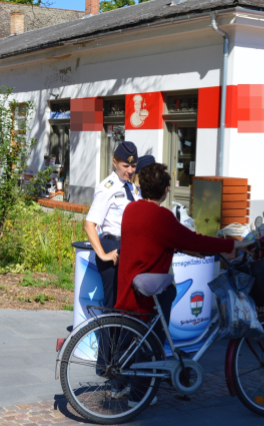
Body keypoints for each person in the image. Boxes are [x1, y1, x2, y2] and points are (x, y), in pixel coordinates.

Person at [115, 162, 250, 406]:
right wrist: (233, 245)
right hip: (151, 290)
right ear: (166, 190)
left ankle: (123, 385)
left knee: (131, 337)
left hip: (127, 285)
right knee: (153, 341)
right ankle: (139, 396)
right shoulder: (162, 217)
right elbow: (194, 240)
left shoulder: (131, 210)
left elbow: (153, 241)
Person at [85, 141, 141, 309]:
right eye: (126, 166)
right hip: (113, 246)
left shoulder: (133, 188)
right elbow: (89, 224)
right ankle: (108, 336)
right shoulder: (107, 188)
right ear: (114, 162)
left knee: (127, 303)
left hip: (129, 247)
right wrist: (102, 254)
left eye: (133, 165)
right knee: (113, 304)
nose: (130, 170)